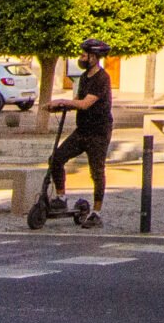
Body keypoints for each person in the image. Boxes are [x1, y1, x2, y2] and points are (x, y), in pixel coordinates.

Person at [44, 38, 114, 216]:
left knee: (96, 171)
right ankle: (61, 198)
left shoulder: (102, 78)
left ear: (93, 57)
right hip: (82, 130)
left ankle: (96, 212)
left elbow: (85, 104)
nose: (81, 58)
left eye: (84, 55)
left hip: (98, 132)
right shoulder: (84, 77)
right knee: (56, 159)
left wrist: (63, 100)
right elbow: (77, 100)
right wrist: (59, 106)